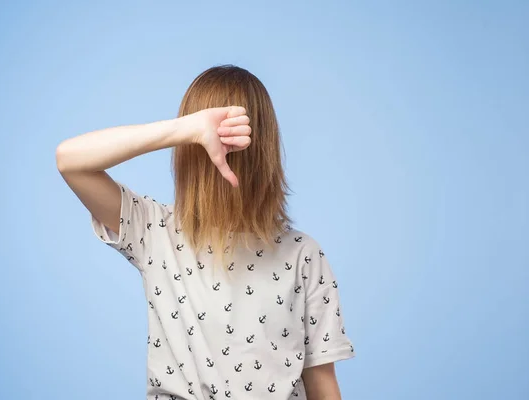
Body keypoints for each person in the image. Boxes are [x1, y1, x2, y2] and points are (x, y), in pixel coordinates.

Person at [56, 65, 355, 400]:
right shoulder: (155, 231)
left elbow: (322, 385)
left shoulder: (303, 256)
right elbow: (70, 161)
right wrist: (185, 128)